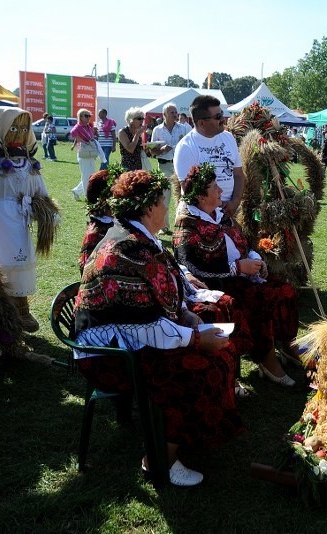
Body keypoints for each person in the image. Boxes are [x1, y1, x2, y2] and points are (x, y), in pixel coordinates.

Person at [73, 169, 244, 486]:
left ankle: (184, 439)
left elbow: (160, 294)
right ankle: (158, 460)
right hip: (107, 357)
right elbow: (143, 327)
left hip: (128, 339)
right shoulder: (125, 250)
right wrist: (194, 339)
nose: (168, 207)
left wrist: (186, 315)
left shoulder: (137, 239)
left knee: (219, 347)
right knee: (198, 369)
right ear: (149, 208)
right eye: (164, 202)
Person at [173, 163, 298, 387]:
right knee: (259, 299)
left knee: (284, 290)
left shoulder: (221, 216)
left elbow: (242, 241)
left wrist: (253, 256)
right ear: (202, 196)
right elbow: (191, 267)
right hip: (217, 283)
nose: (221, 190)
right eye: (215, 187)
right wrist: (238, 268)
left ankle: (288, 344)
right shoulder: (188, 224)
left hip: (242, 276)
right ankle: (266, 359)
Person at [0, 106, 57, 332]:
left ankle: (21, 308)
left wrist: (46, 210)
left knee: (20, 261)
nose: (19, 132)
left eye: (24, 128)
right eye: (13, 127)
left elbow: (40, 191)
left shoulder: (29, 165)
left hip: (19, 221)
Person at [173, 95, 246, 218]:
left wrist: (235, 202)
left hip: (230, 212)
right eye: (218, 117)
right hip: (201, 217)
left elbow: (238, 174)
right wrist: (215, 209)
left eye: (221, 114)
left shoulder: (228, 138)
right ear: (202, 123)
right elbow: (188, 190)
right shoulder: (186, 147)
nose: (223, 119)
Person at [150, 102, 185, 232]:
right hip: (164, 165)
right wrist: (161, 150)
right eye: (172, 112)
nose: (175, 115)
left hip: (180, 166)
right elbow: (152, 151)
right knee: (164, 197)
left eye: (176, 112)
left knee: (182, 195)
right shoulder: (157, 130)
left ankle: (181, 224)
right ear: (164, 114)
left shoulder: (183, 128)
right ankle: (164, 227)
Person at [70, 108, 100, 201]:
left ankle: (77, 191)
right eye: (86, 116)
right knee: (86, 175)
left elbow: (91, 137)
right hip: (83, 153)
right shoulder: (78, 127)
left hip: (90, 153)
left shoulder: (88, 127)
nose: (88, 118)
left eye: (89, 116)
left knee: (90, 175)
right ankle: (88, 196)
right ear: (80, 117)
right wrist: (85, 142)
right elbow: (73, 133)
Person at [118, 107, 146, 172]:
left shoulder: (138, 131)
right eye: (139, 118)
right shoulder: (122, 132)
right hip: (127, 166)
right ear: (131, 120)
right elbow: (130, 149)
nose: (142, 121)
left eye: (143, 118)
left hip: (138, 166)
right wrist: (137, 134)